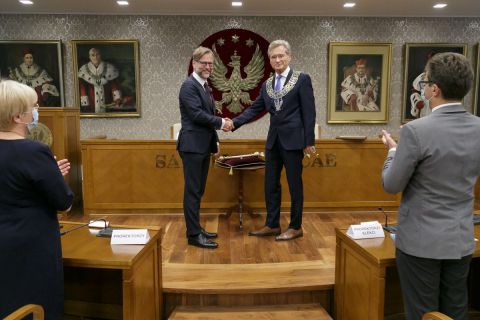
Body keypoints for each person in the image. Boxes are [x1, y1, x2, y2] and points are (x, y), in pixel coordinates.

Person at [381, 52, 480, 320]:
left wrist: (393, 151)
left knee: (423, 313)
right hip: (460, 239)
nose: (423, 88)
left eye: (425, 83)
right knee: (455, 310)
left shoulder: (416, 131)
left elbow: (392, 184)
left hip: (420, 242)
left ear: (434, 89)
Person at [227, 40, 316, 241]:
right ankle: (272, 225)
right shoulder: (267, 84)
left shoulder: (302, 79)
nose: (277, 60)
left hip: (294, 142)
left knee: (295, 186)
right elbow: (255, 108)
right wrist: (234, 123)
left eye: (281, 56)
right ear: (269, 60)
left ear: (289, 57)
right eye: (273, 57)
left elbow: (309, 112)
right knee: (270, 185)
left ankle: (295, 226)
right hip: (273, 142)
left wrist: (309, 141)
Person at [0, 80, 74, 319]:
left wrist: (47, 173)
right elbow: (64, 203)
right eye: (33, 106)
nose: (37, 111)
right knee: (35, 304)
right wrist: (52, 175)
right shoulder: (33, 151)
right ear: (17, 117)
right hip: (30, 245)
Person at [177, 46, 233, 249]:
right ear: (194, 63)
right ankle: (193, 234)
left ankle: (195, 227)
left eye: (210, 63)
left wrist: (215, 141)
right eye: (204, 63)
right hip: (191, 147)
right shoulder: (189, 86)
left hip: (202, 146)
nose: (207, 66)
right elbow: (197, 115)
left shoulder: (206, 87)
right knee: (192, 191)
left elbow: (207, 118)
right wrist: (221, 122)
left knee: (198, 191)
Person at [78, 48, 122, 113]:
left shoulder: (109, 68)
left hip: (107, 101)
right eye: (93, 55)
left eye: (97, 54)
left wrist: (117, 98)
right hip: (91, 101)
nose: (96, 57)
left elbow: (114, 84)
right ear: (89, 57)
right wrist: (84, 100)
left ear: (100, 55)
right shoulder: (84, 69)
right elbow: (82, 87)